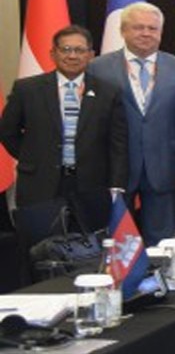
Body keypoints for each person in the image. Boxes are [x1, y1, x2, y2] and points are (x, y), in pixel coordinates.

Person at [87, 2, 175, 245]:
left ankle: (163, 282)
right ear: (123, 31)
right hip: (115, 169)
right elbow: (91, 125)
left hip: (165, 167)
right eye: (138, 27)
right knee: (118, 241)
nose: (146, 33)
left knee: (163, 242)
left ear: (161, 32)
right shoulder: (98, 68)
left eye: (153, 28)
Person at [0, 25, 128, 236]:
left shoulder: (108, 92)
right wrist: (34, 156)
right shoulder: (27, 89)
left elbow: (118, 144)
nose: (72, 56)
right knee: (40, 247)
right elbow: (7, 131)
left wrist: (116, 186)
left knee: (89, 246)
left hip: (91, 183)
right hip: (39, 182)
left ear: (91, 55)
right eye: (66, 49)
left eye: (79, 50)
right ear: (53, 53)